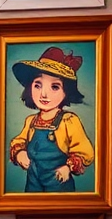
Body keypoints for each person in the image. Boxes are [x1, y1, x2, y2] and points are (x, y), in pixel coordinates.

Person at [8, 48, 95, 193]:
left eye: (54, 87)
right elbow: (19, 141)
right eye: (38, 85)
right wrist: (19, 153)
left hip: (58, 183)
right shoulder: (31, 121)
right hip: (33, 183)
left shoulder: (69, 120)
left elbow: (84, 152)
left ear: (66, 92)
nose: (44, 94)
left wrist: (68, 167)